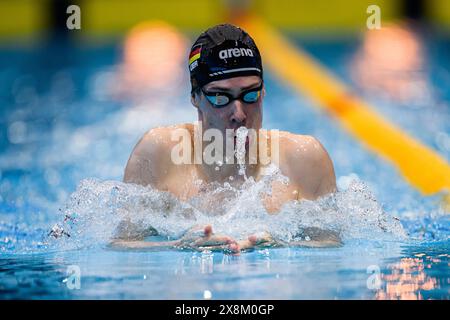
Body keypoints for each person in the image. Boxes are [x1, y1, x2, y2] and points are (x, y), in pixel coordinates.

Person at [112, 24, 339, 253]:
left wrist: (283, 246)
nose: (239, 114)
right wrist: (177, 246)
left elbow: (332, 250)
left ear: (264, 91)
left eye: (251, 95)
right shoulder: (158, 154)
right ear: (195, 96)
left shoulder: (305, 159)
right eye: (221, 98)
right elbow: (123, 247)